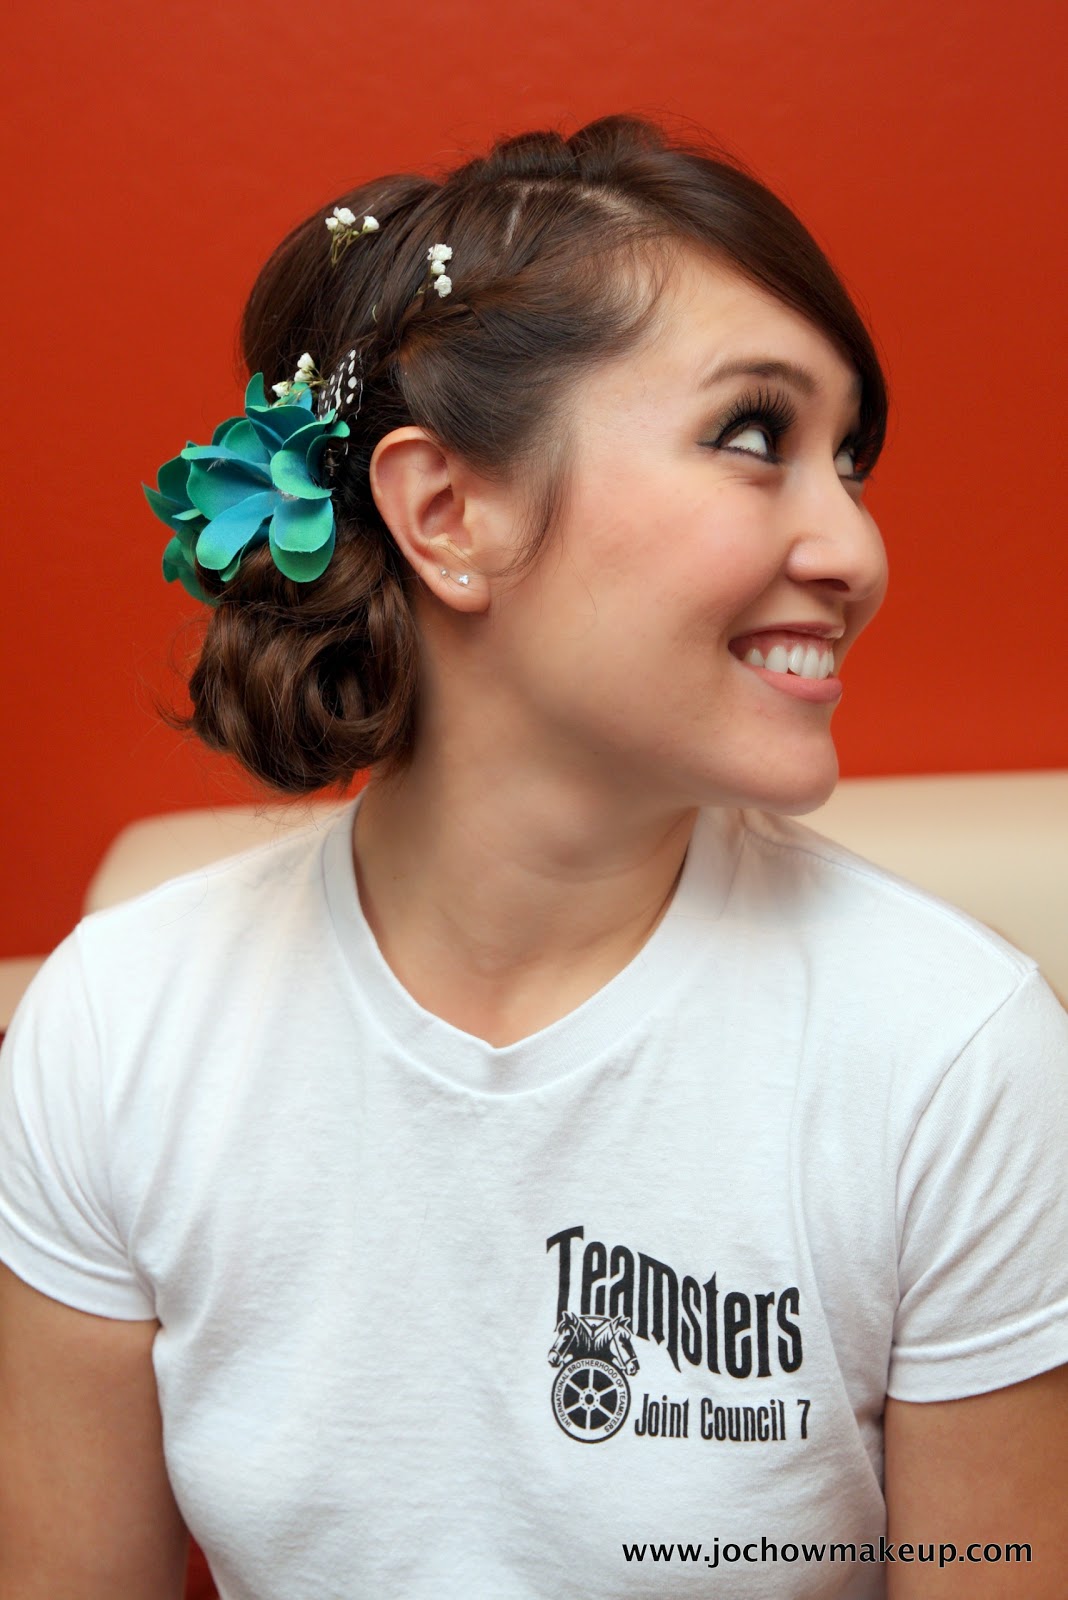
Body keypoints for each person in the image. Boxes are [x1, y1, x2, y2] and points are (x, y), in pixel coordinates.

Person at [0, 114, 1065, 1600]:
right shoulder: (118, 1026)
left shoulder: (955, 1054)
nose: (855, 553)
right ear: (448, 514)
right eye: (754, 436)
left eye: (850, 461)